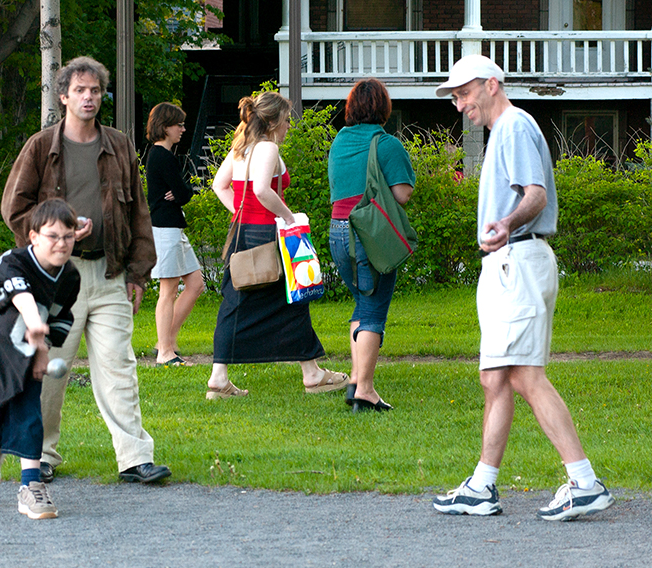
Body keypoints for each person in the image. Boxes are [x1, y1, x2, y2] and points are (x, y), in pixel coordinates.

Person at [432, 54, 615, 520]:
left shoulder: (512, 126)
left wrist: (505, 225)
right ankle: (483, 486)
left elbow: (535, 193)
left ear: (492, 84)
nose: (459, 104)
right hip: (509, 262)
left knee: (524, 376)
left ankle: (585, 482)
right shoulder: (505, 130)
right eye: (455, 96)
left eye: (465, 92)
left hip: (516, 260)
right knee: (495, 377)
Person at [1, 56, 172, 485]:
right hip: (57, 278)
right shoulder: (42, 146)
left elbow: (139, 214)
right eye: (80, 90)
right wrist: (57, 234)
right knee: (50, 368)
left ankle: (134, 458)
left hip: (110, 273)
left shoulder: (118, 145)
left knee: (119, 366)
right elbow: (14, 208)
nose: (89, 97)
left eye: (95, 90)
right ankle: (37, 456)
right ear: (63, 96)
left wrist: (138, 272)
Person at [207, 91, 348, 399]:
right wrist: (288, 217)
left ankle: (219, 378)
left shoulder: (240, 148)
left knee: (234, 302)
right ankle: (311, 374)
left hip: (242, 234)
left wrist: (240, 213)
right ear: (272, 122)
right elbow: (261, 189)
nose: (288, 127)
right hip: (269, 236)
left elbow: (219, 185)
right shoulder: (268, 147)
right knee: (294, 301)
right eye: (286, 120)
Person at [0, 199, 81, 519]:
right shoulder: (13, 262)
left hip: (22, 346)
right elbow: (19, 292)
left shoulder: (70, 276)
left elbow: (59, 317)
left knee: (27, 408)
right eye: (53, 236)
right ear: (33, 236)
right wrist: (35, 325)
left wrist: (44, 345)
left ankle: (31, 486)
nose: (61, 243)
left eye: (68, 236)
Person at [327, 79, 415, 413]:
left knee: (361, 307)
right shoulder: (386, 144)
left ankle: (356, 380)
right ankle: (363, 389)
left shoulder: (339, 141)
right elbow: (402, 194)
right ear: (383, 107)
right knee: (374, 311)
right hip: (368, 235)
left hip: (338, 231)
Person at [145, 102, 205, 367]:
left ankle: (166, 341)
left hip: (174, 227)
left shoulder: (165, 156)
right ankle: (165, 353)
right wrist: (181, 192)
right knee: (167, 291)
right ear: (164, 127)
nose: (182, 129)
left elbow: (180, 193)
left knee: (195, 284)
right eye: (178, 124)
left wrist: (180, 192)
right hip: (165, 229)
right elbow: (183, 193)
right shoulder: (161, 155)